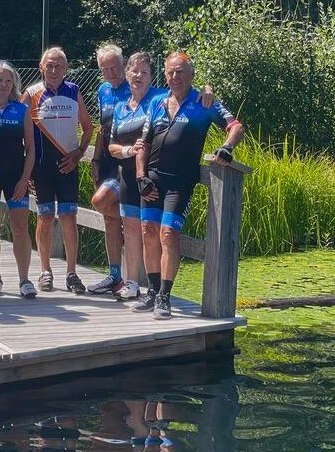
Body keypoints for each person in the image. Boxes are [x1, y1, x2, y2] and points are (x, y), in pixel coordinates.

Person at [134, 51, 245, 318]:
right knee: (148, 231)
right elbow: (143, 143)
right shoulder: (157, 101)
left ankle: (164, 296)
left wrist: (227, 148)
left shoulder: (203, 102)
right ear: (165, 75)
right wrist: (140, 176)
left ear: (192, 74)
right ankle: (152, 291)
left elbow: (236, 126)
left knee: (168, 234)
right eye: (171, 72)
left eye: (181, 72)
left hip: (180, 182)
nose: (175, 77)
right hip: (152, 179)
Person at [105, 53, 217, 302]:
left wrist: (207, 89)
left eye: (144, 72)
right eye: (134, 71)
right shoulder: (125, 102)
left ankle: (161, 294)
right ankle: (140, 286)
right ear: (126, 74)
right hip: (139, 176)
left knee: (166, 233)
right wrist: (137, 168)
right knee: (139, 229)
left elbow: (187, 89)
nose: (138, 76)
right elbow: (119, 143)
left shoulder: (163, 96)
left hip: (171, 178)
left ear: (153, 77)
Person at [21, 47, 94, 294]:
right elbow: (20, 131)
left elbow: (88, 127)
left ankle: (72, 273)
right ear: (41, 67)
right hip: (41, 167)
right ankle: (45, 271)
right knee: (44, 217)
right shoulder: (31, 93)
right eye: (49, 65)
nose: (53, 70)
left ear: (66, 68)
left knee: (68, 218)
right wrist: (26, 169)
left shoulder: (74, 91)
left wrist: (79, 152)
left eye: (58, 66)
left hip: (67, 166)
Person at [0, 60, 36, 299]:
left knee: (20, 227)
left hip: (15, 177)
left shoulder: (21, 110)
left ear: (13, 84)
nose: (3, 84)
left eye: (8, 80)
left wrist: (24, 179)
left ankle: (24, 279)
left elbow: (31, 148)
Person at [88, 44, 131, 296]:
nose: (110, 73)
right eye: (104, 69)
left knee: (100, 201)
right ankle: (115, 275)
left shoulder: (136, 86)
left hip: (126, 159)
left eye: (114, 67)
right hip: (106, 159)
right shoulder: (102, 90)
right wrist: (95, 160)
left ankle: (131, 222)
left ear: (123, 65)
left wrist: (206, 90)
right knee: (108, 217)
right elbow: (102, 128)